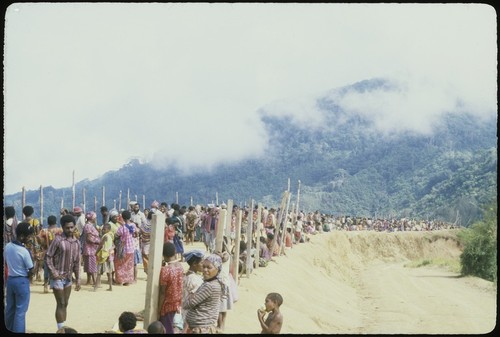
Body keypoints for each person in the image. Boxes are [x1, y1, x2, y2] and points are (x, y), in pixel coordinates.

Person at [45, 214, 81, 331]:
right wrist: (54, 273)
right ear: (62, 227)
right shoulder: (58, 240)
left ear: (74, 227)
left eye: (71, 227)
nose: (70, 230)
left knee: (65, 303)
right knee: (60, 303)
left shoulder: (76, 242)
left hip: (68, 278)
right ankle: (60, 329)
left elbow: (77, 262)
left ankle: (63, 328)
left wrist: (78, 279)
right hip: (58, 278)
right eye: (67, 228)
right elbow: (48, 257)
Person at [182, 254, 228, 334]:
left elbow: (188, 304)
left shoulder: (209, 286)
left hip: (201, 329)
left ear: (217, 269)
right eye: (203, 267)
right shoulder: (214, 283)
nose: (205, 270)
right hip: (203, 327)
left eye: (209, 267)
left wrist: (188, 298)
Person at [4, 222, 35, 333]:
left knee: (10, 309)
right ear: (22, 236)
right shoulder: (24, 251)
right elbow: (31, 269)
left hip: (11, 280)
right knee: (20, 311)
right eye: (29, 236)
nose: (30, 238)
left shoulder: (7, 246)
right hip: (22, 281)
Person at [158, 241, 184, 333]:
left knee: (167, 329)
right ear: (174, 252)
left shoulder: (165, 270)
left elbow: (162, 292)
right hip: (177, 303)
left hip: (167, 305)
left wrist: (158, 309)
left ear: (163, 255)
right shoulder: (180, 267)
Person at [38, 215, 63, 293]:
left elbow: (39, 240)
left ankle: (45, 285)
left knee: (46, 269)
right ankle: (55, 285)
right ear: (56, 221)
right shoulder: (60, 230)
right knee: (56, 269)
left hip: (47, 253)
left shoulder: (44, 231)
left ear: (48, 222)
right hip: (57, 254)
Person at [181, 249, 204, 332]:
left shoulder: (185, 275)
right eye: (201, 263)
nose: (203, 265)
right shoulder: (196, 280)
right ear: (194, 264)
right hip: (191, 316)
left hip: (183, 313)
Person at [114, 210, 136, 286]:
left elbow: (117, 235)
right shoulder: (133, 225)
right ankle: (127, 281)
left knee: (120, 264)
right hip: (131, 248)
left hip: (123, 248)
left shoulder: (122, 228)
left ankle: (120, 280)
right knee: (129, 265)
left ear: (122, 218)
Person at [82, 211, 100, 286]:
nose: (96, 219)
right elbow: (89, 238)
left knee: (89, 264)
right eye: (95, 218)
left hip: (89, 248)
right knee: (92, 265)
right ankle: (95, 281)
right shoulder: (88, 226)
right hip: (91, 249)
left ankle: (89, 281)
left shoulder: (88, 225)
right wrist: (98, 242)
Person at [94, 223, 114, 291]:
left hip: (103, 256)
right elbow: (113, 245)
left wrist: (96, 252)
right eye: (103, 229)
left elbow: (100, 245)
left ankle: (95, 287)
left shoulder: (105, 236)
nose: (103, 230)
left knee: (99, 272)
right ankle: (110, 287)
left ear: (108, 229)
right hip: (110, 255)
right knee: (109, 272)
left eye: (104, 229)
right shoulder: (111, 236)